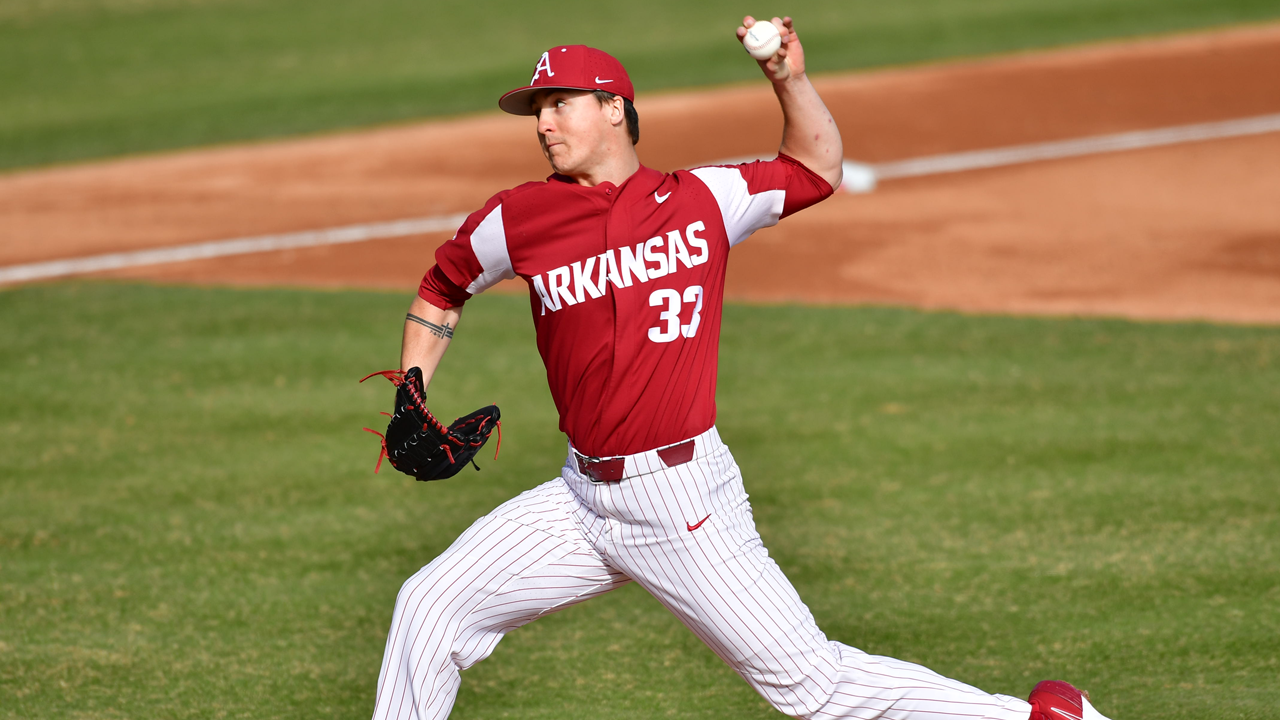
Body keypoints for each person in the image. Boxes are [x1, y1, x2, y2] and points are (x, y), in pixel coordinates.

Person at [370, 16, 1113, 720]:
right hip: (580, 499)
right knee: (430, 607)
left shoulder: (704, 201)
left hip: (682, 503)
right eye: (537, 109)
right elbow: (443, 288)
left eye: (559, 104)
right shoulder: (518, 218)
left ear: (615, 111)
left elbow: (815, 169)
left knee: (815, 689)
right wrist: (412, 390)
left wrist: (788, 78)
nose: (543, 123)